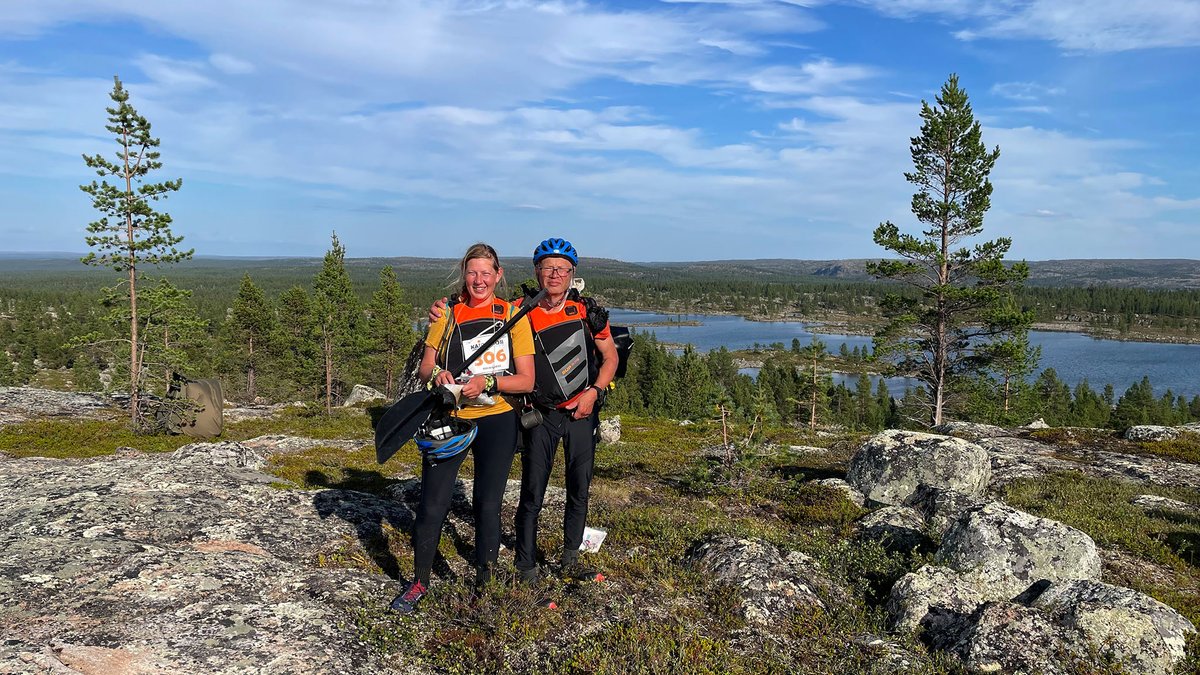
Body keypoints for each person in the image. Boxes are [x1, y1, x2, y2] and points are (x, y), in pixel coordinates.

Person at [429, 237, 618, 585]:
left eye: (562, 268)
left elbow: (611, 358)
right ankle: (526, 566)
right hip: (541, 414)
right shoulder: (520, 310)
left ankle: (570, 558)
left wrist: (595, 391)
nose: (555, 274)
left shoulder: (586, 312)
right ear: (537, 271)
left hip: (581, 411)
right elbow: (481, 307)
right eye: (548, 268)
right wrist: (447, 306)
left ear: (572, 273)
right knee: (533, 491)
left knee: (580, 487)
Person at [390, 242, 535, 614]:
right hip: (450, 417)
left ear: (499, 275)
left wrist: (487, 383)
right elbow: (425, 367)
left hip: (497, 418)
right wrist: (439, 374)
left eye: (487, 273)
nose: (479, 280)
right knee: (433, 503)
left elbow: (526, 380)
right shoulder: (447, 313)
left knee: (487, 504)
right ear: (463, 273)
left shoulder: (513, 315)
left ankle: (484, 582)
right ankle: (420, 581)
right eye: (473, 272)